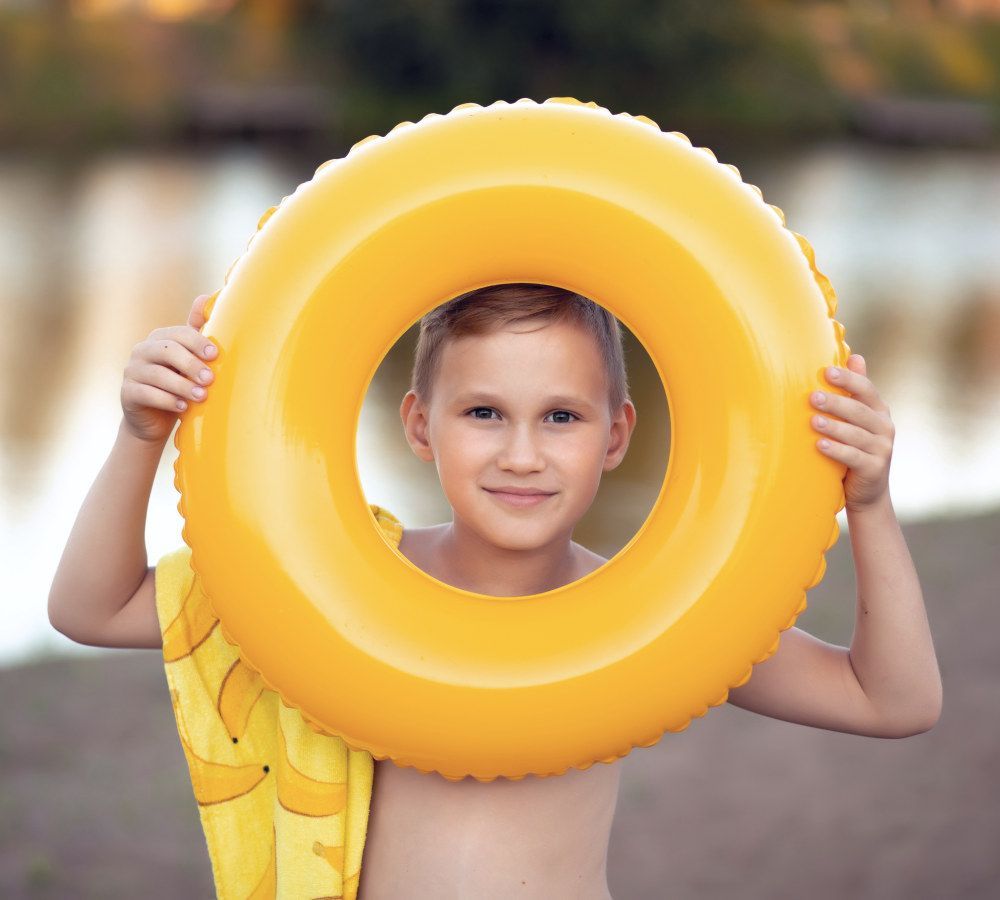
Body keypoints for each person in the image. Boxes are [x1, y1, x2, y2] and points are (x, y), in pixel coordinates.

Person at [47, 282, 943, 899]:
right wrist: (142, 433)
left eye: (562, 416)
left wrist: (868, 501)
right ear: (419, 425)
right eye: (484, 413)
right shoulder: (341, 587)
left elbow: (892, 699)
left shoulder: (653, 616)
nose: (523, 454)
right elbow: (92, 607)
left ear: (617, 435)